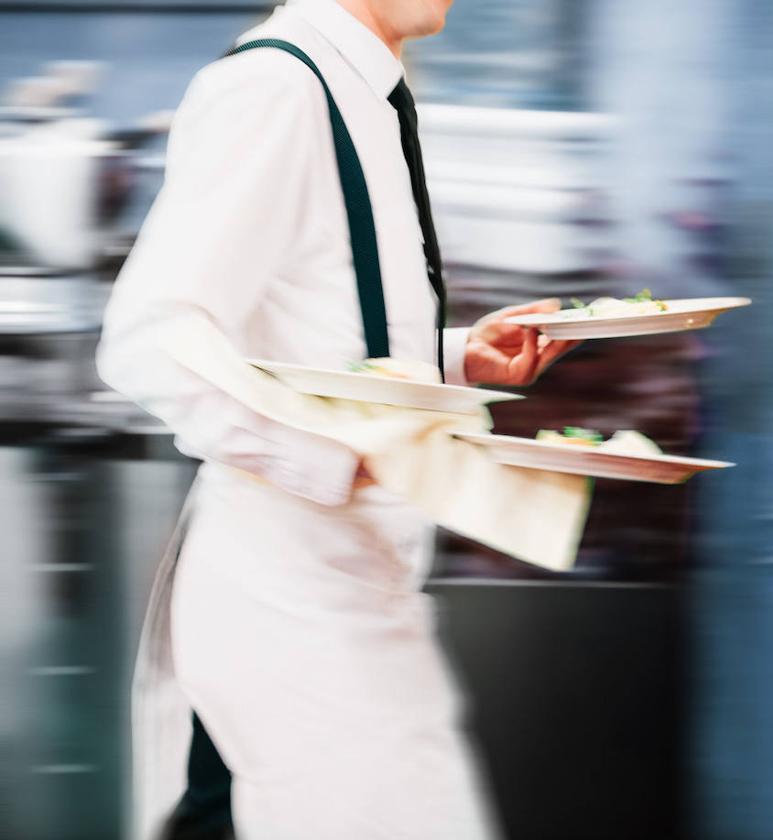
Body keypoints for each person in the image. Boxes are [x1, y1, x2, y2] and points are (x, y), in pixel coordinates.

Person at [97, 0, 578, 836]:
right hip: (287, 594)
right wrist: (331, 455)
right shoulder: (276, 89)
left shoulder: (361, 92)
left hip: (346, 583)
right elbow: (150, 338)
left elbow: (328, 331)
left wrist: (458, 357)